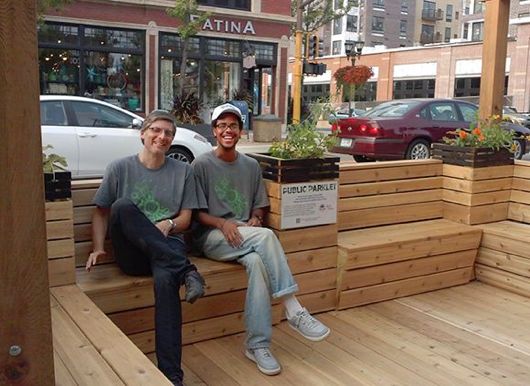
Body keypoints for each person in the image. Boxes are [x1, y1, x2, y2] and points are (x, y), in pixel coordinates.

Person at [192, 103, 330, 376]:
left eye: (233, 125)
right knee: (266, 237)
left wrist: (255, 218)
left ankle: (257, 345)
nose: (227, 130)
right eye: (221, 126)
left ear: (241, 131)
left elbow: (259, 205)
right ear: (214, 131)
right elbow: (196, 213)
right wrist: (223, 222)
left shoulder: (251, 166)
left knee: (256, 262)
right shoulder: (201, 165)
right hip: (211, 237)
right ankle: (293, 308)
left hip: (246, 236)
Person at [85, 110, 205, 386]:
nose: (162, 137)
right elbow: (102, 211)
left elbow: (186, 219)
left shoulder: (183, 171)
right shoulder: (120, 168)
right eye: (156, 130)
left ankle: (171, 376)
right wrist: (97, 247)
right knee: (123, 205)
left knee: (166, 284)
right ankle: (188, 270)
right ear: (143, 134)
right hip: (134, 254)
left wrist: (170, 224)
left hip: (166, 251)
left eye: (168, 133)